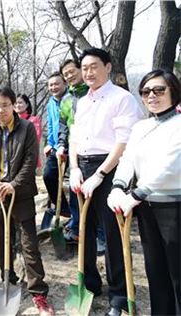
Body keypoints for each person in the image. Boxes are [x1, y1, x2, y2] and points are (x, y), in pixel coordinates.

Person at [69, 48, 144, 316]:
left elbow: (124, 142)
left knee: (112, 234)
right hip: (84, 166)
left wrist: (100, 174)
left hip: (111, 169)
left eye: (94, 66)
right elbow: (74, 136)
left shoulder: (122, 99)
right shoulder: (82, 101)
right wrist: (75, 168)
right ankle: (89, 284)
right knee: (84, 231)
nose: (88, 72)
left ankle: (119, 295)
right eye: (85, 67)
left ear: (108, 67)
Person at [108, 69, 181, 315]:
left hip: (174, 207)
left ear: (173, 91)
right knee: (155, 271)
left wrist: (136, 194)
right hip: (147, 208)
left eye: (159, 90)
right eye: (146, 91)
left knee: (177, 273)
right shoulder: (140, 127)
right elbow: (127, 159)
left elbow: (169, 167)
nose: (152, 95)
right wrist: (118, 187)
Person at [0, 87, 54, 316]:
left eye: (4, 105)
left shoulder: (27, 128)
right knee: (1, 241)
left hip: (20, 195)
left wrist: (13, 184)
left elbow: (31, 160)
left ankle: (38, 293)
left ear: (13, 105)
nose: (0, 110)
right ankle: (7, 275)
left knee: (29, 244)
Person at [54, 59, 88, 244]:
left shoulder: (92, 93)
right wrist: (61, 145)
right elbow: (63, 125)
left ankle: (98, 234)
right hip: (74, 152)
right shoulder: (66, 100)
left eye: (71, 71)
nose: (69, 75)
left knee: (94, 194)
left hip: (94, 151)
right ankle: (76, 230)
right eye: (66, 74)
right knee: (75, 191)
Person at [41, 73, 71, 231]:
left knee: (75, 184)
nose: (53, 87)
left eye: (56, 84)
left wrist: (64, 146)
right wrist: (49, 144)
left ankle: (76, 218)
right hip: (55, 147)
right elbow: (52, 126)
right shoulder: (50, 102)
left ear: (64, 83)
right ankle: (63, 208)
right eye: (50, 85)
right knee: (48, 176)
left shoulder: (70, 99)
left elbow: (67, 125)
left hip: (71, 146)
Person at [14, 94, 42, 168]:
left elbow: (35, 139)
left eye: (20, 102)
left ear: (27, 105)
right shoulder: (11, 121)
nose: (17, 105)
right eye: (15, 103)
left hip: (29, 159)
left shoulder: (33, 120)